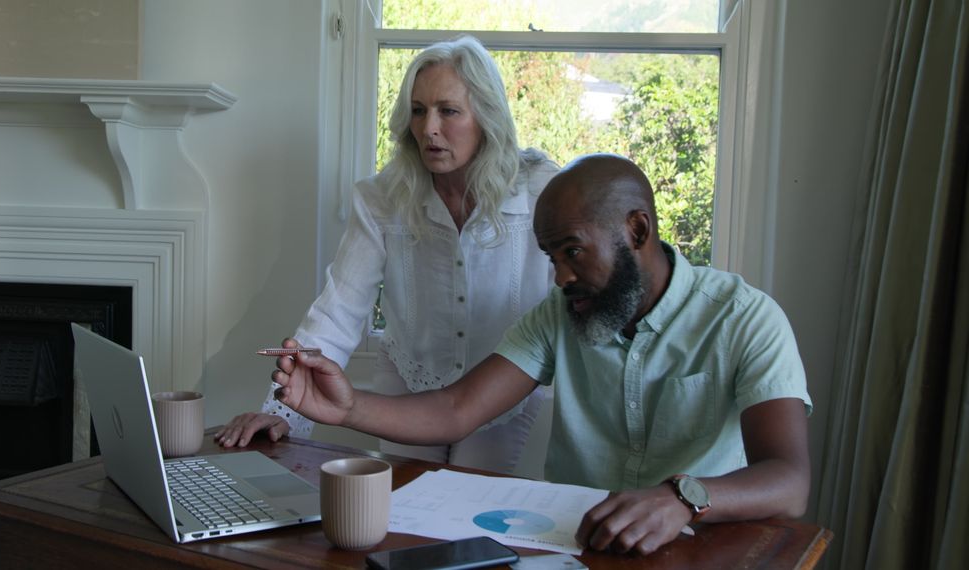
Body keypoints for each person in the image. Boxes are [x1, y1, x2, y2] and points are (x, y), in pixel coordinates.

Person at [266, 153, 813, 555]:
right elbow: (457, 410)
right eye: (551, 256)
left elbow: (789, 480)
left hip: (701, 547)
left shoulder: (746, 318)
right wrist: (345, 408)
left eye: (572, 251)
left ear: (638, 230)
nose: (560, 276)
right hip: (576, 549)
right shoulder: (560, 314)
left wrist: (681, 498)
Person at [215, 35, 560, 474]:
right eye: (419, 110)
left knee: (469, 508)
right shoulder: (382, 198)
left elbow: (569, 296)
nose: (429, 128)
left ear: (486, 116)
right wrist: (283, 413)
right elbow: (339, 308)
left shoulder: (538, 190)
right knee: (402, 503)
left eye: (448, 111)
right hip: (409, 377)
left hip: (502, 386)